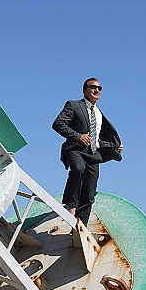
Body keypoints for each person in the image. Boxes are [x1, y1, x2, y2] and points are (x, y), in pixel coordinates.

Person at [52, 78, 123, 226]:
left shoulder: (98, 113)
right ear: (84, 90)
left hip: (93, 154)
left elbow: (97, 139)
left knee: (90, 191)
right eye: (93, 87)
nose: (96, 90)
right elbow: (58, 124)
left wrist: (114, 147)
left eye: (99, 88)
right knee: (78, 168)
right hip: (75, 149)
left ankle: (80, 225)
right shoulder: (73, 105)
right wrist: (78, 137)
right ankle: (71, 206)